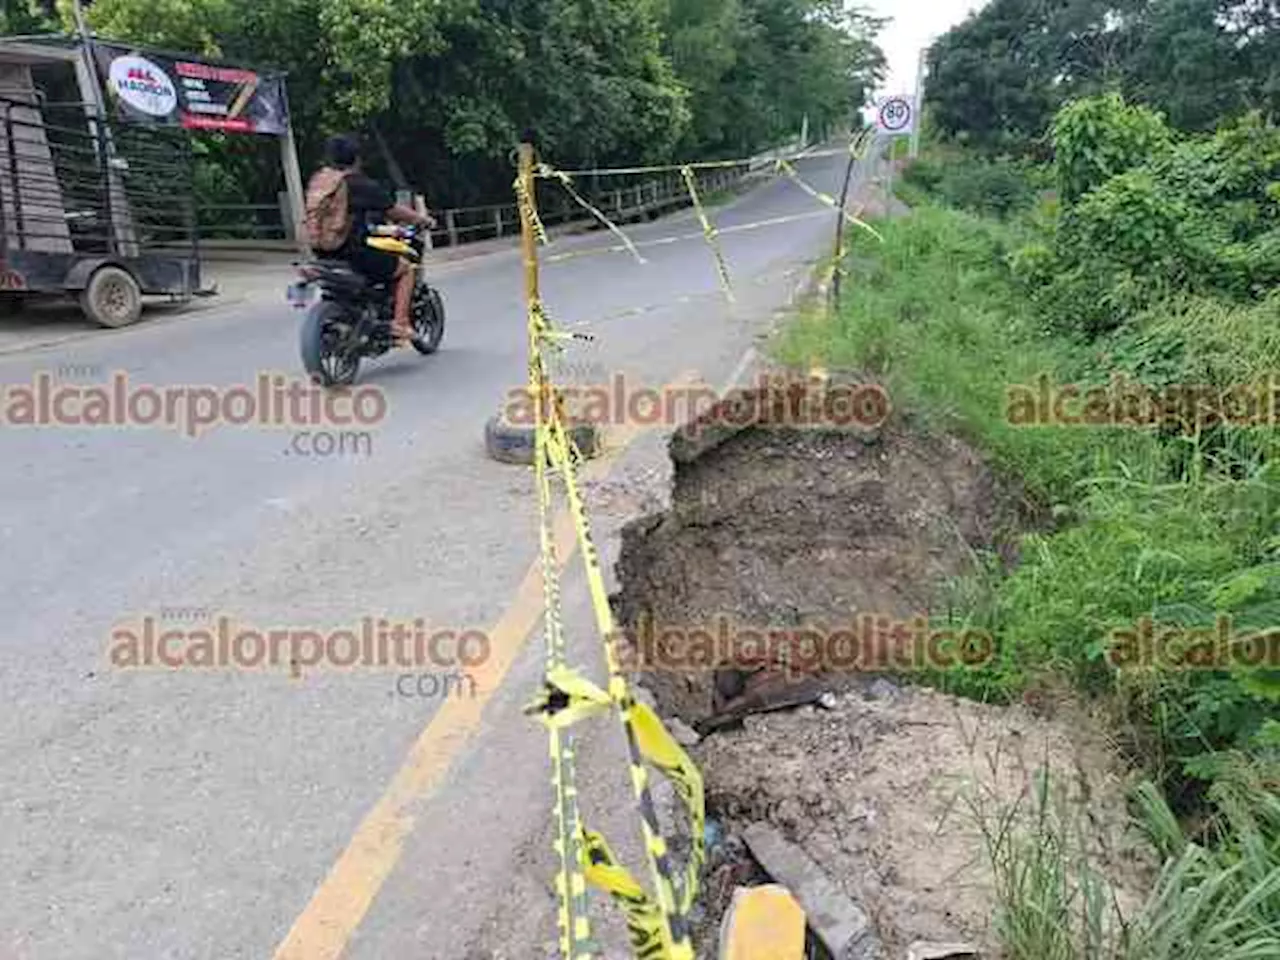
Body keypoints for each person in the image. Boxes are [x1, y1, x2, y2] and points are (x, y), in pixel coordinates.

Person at [312, 134, 435, 345]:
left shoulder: (320, 183)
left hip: (322, 253)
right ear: (357, 159)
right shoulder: (359, 184)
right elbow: (394, 211)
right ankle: (400, 323)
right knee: (405, 269)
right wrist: (423, 220)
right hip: (353, 253)